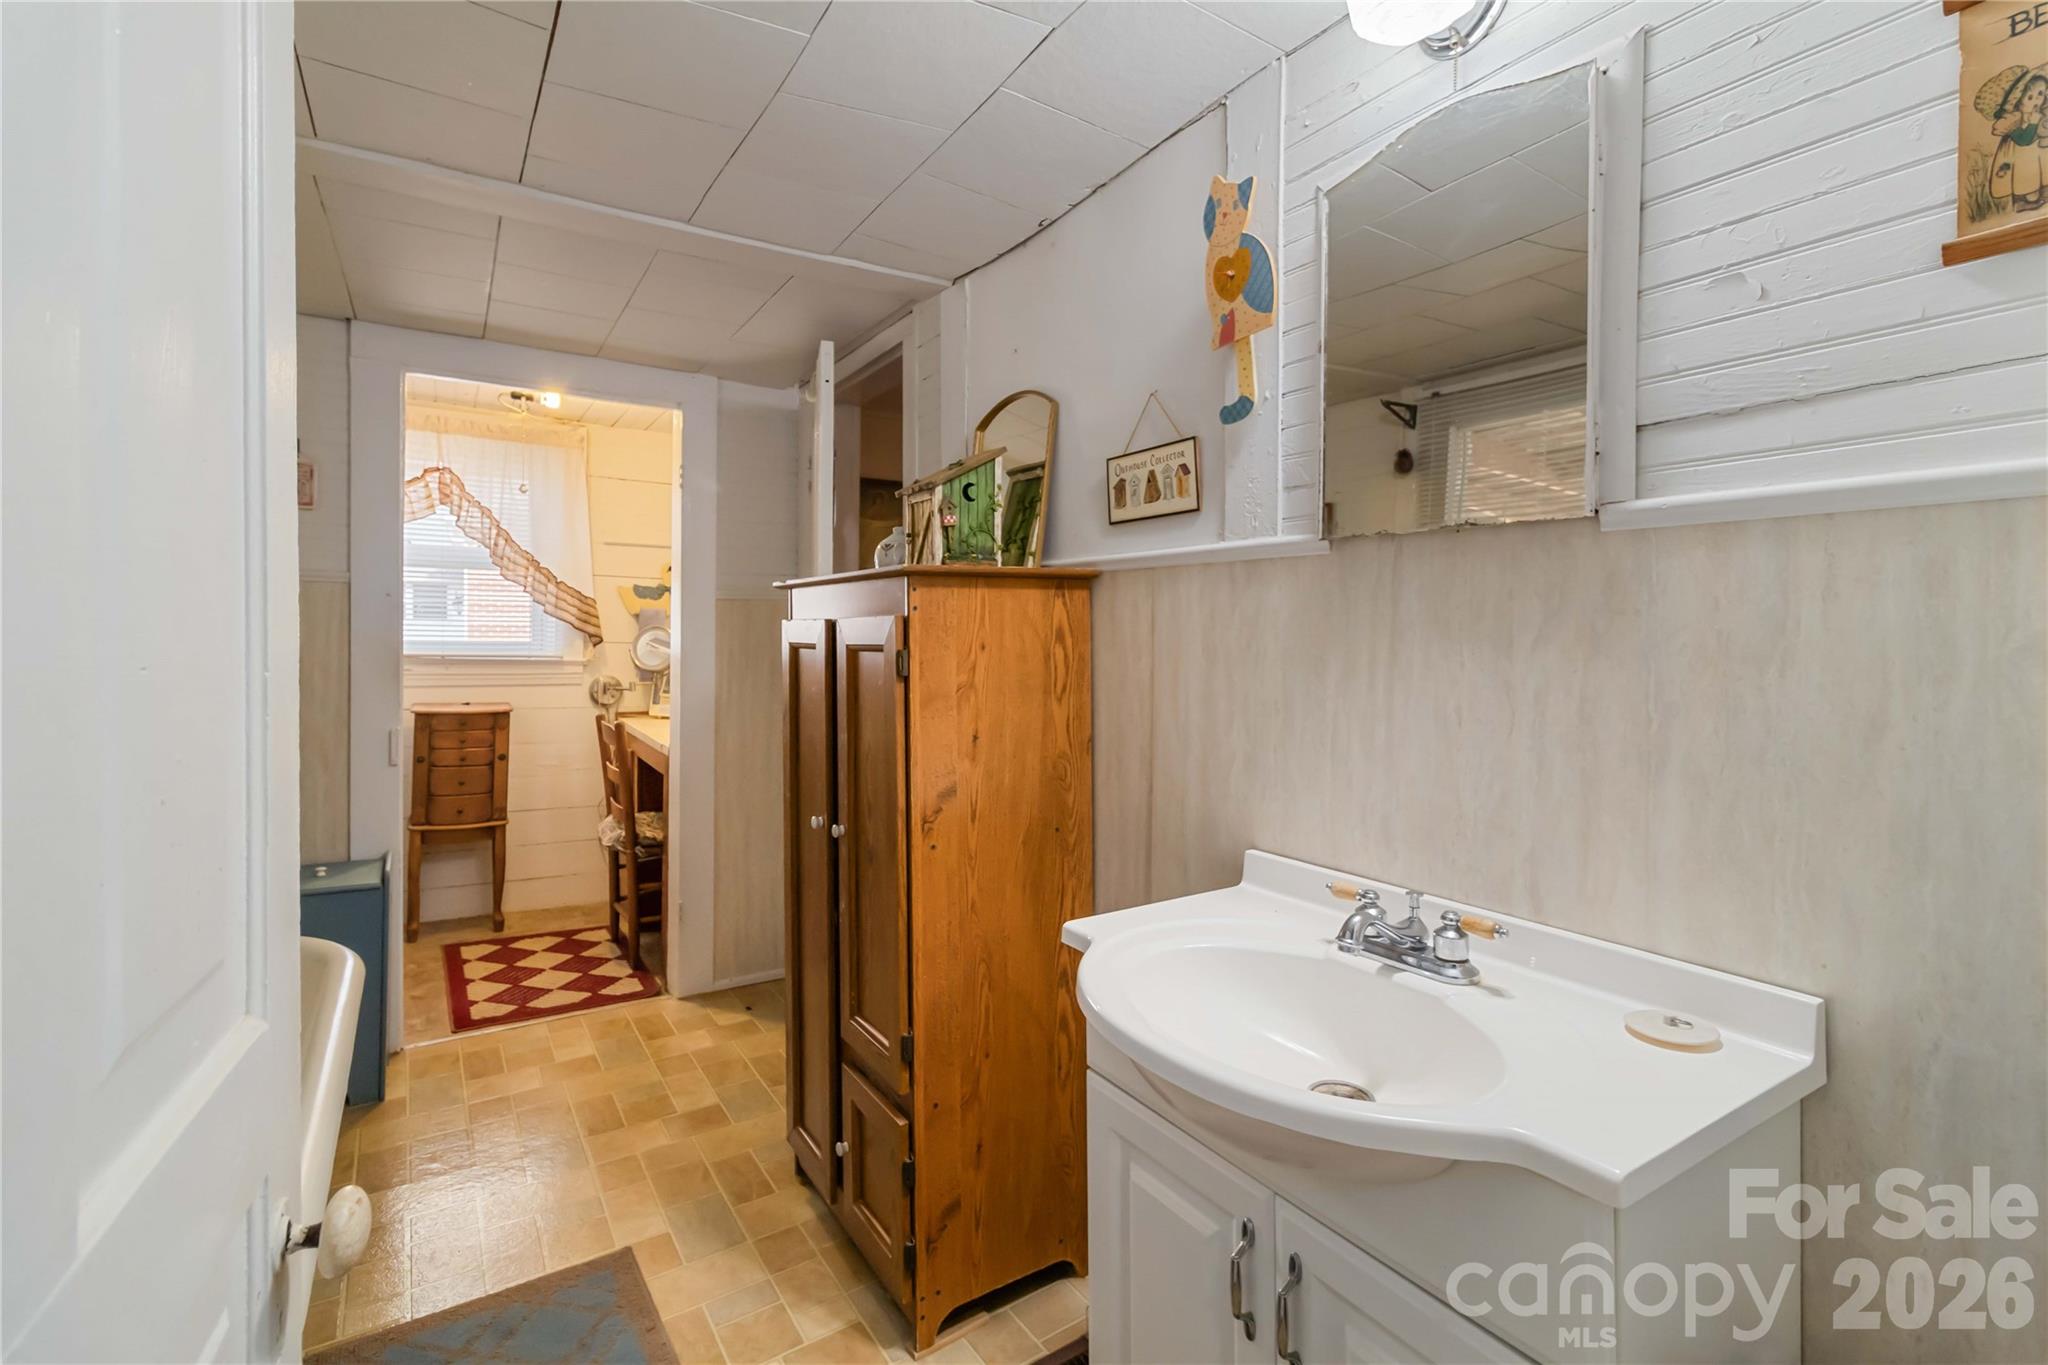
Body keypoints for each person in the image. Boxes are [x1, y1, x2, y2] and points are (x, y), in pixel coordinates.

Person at [1990, 71, 2048, 215]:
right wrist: (2034, 122)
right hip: (2019, 154)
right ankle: (2023, 200)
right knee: (2025, 172)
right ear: (2018, 103)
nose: (2036, 101)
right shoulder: (2013, 120)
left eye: (2040, 94)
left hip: (2036, 152)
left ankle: (2044, 190)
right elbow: (2024, 140)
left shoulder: (2040, 112)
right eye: (2030, 97)